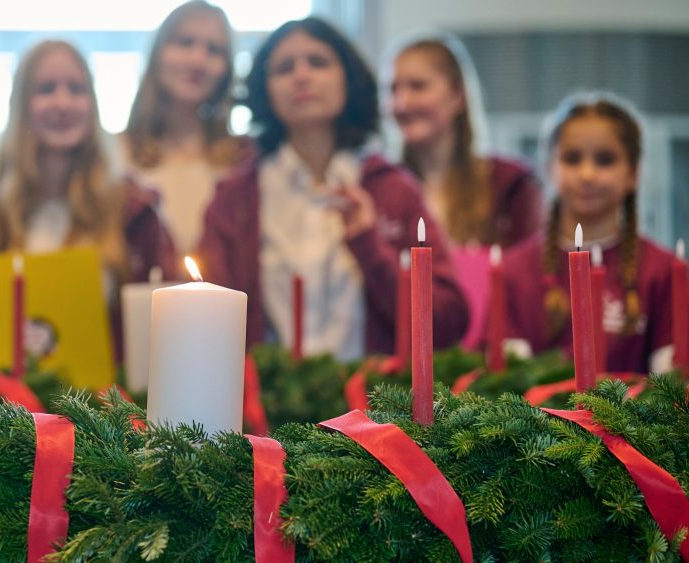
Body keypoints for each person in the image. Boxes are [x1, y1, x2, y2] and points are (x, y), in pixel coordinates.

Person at [196, 18, 468, 361]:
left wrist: (369, 244)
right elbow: (203, 322)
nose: (301, 76)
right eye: (283, 68)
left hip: (375, 407)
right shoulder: (235, 198)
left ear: (348, 79)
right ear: (264, 89)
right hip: (266, 407)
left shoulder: (392, 189)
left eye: (318, 62)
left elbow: (447, 323)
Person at [0, 41, 175, 368]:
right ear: (21, 105)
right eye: (46, 89)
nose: (63, 103)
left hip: (109, 411)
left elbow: (166, 333)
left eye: (76, 89)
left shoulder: (134, 210)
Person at [384, 33, 544, 349]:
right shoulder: (384, 191)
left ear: (457, 95)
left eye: (417, 86)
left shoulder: (511, 186)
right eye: (393, 90)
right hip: (407, 370)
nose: (401, 103)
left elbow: (531, 286)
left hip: (494, 376)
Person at [503, 92, 674, 374]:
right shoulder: (515, 270)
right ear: (550, 167)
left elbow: (673, 381)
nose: (587, 174)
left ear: (633, 173)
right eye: (572, 159)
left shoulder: (661, 269)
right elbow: (506, 382)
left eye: (605, 160)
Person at [119, 0, 251, 255]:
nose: (197, 59)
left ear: (227, 69)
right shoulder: (116, 153)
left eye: (214, 50)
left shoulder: (242, 159)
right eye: (185, 42)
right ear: (158, 54)